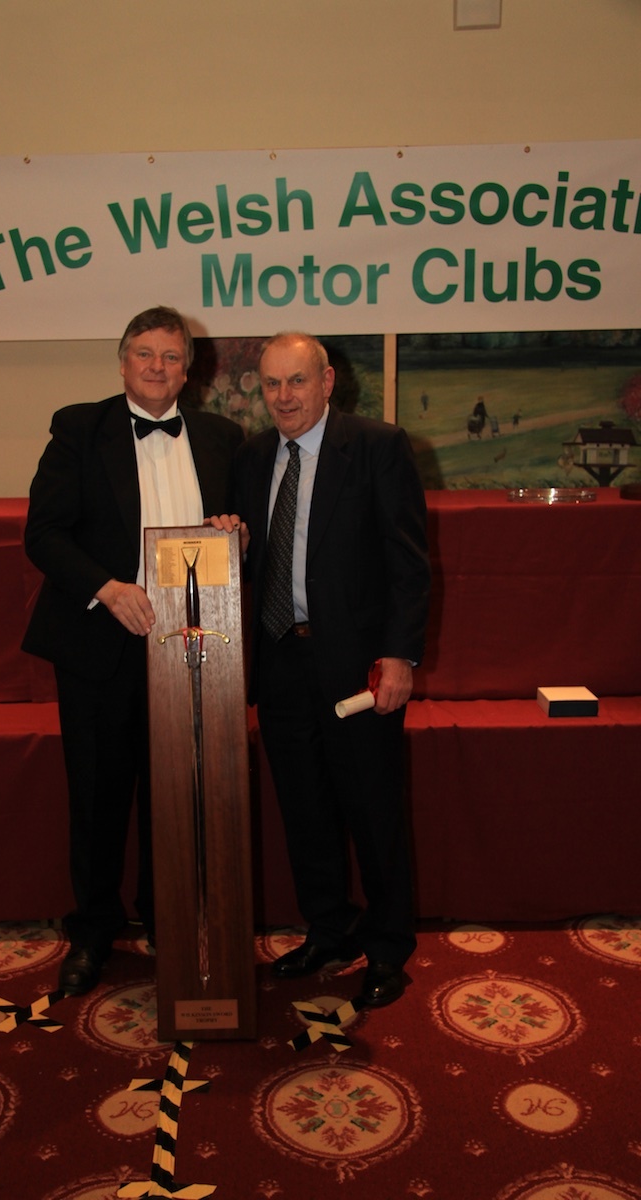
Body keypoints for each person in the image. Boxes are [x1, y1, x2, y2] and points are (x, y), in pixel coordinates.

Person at [22, 306, 244, 995]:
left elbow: (239, 534)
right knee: (97, 797)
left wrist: (237, 533)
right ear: (122, 362)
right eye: (144, 354)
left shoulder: (223, 437)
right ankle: (91, 932)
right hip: (101, 642)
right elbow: (43, 533)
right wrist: (106, 588)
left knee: (177, 795)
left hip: (192, 650)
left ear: (189, 370)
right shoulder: (79, 428)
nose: (157, 367)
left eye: (171, 356)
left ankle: (167, 920)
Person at [210, 332, 430, 1007]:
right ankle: (328, 929)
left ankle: (387, 947)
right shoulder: (251, 457)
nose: (284, 397)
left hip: (356, 667)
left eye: (297, 381)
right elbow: (253, 562)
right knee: (304, 809)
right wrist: (233, 545)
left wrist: (399, 657)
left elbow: (408, 564)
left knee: (373, 810)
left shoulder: (377, 447)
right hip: (279, 658)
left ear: (327, 381)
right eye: (272, 384)